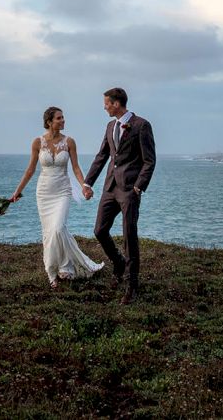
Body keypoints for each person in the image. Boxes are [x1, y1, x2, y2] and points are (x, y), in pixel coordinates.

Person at [10, 106, 104, 289]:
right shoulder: (37, 142)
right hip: (44, 192)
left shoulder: (69, 142)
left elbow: (76, 168)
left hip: (62, 191)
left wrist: (85, 186)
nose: (63, 121)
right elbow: (30, 170)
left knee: (58, 228)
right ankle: (53, 273)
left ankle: (67, 266)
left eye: (63, 117)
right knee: (49, 233)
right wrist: (17, 192)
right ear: (49, 122)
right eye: (59, 118)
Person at [84, 87, 156, 305]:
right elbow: (102, 155)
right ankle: (118, 263)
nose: (104, 106)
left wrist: (138, 187)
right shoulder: (109, 126)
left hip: (129, 190)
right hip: (110, 187)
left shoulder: (141, 125)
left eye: (106, 103)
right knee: (99, 230)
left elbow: (149, 161)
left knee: (129, 236)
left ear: (116, 104)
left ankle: (132, 286)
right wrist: (88, 182)